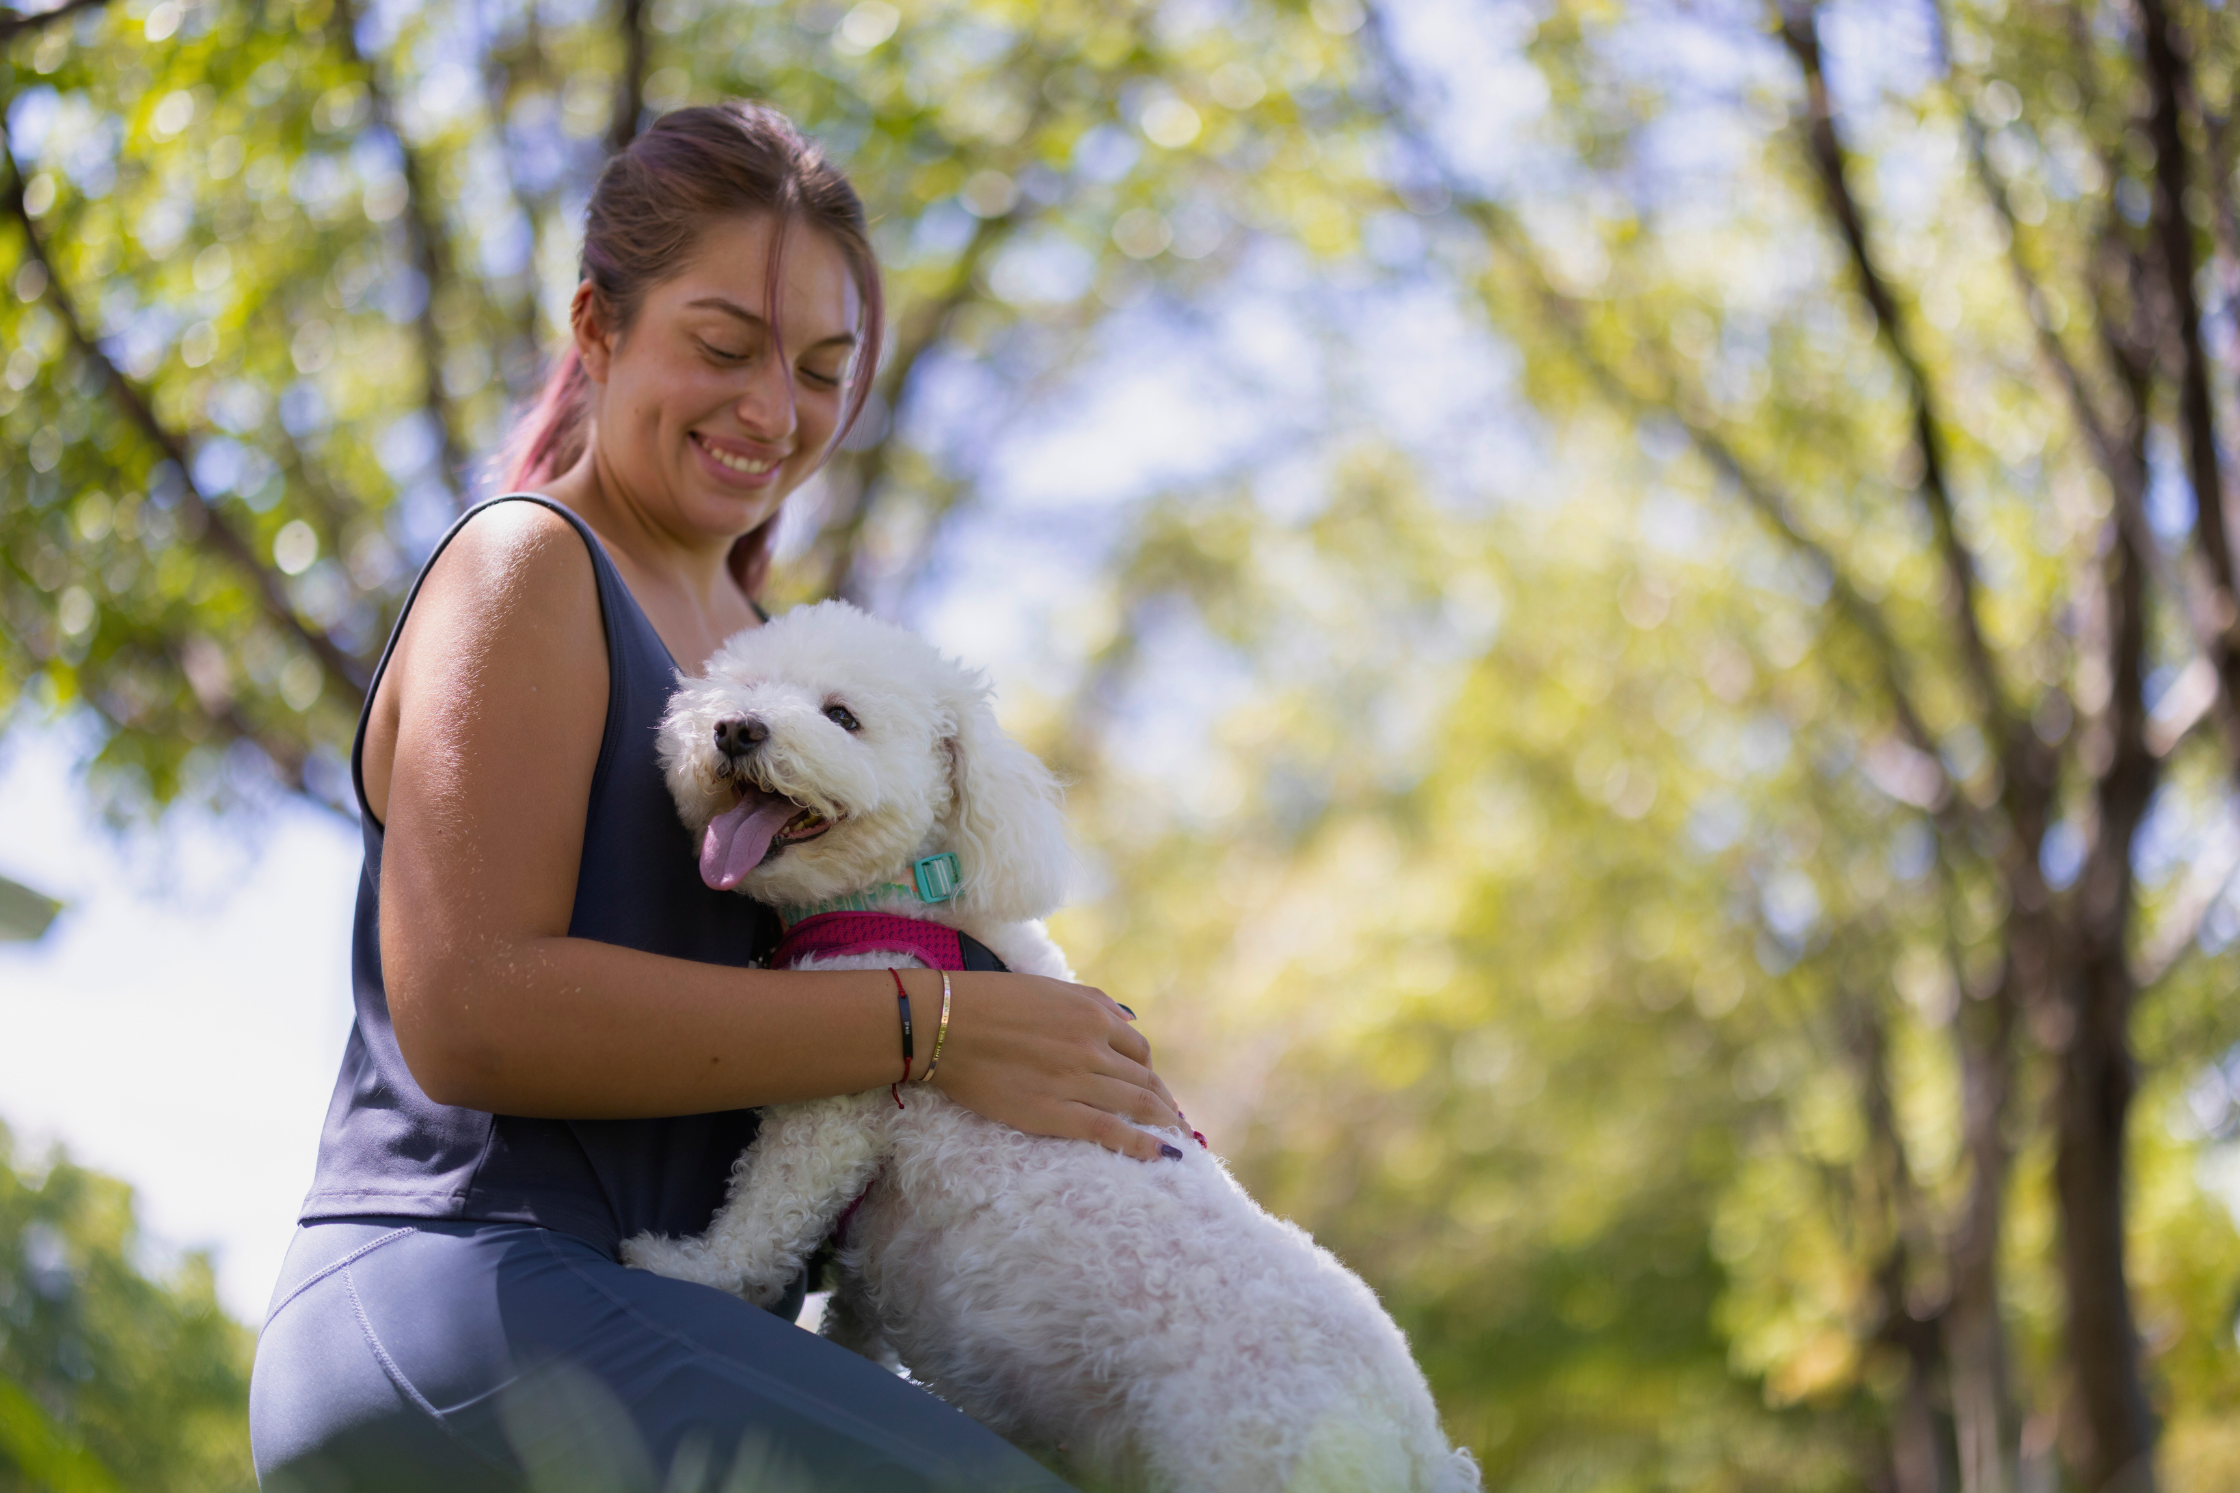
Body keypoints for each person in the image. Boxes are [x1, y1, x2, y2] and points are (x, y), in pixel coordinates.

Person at [247, 102, 1183, 1493]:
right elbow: (472, 1010)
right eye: (724, 347)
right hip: (474, 1299)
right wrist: (929, 1027)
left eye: (821, 369)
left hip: (672, 1324)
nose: (774, 412)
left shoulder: (770, 662)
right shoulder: (527, 566)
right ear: (599, 327)